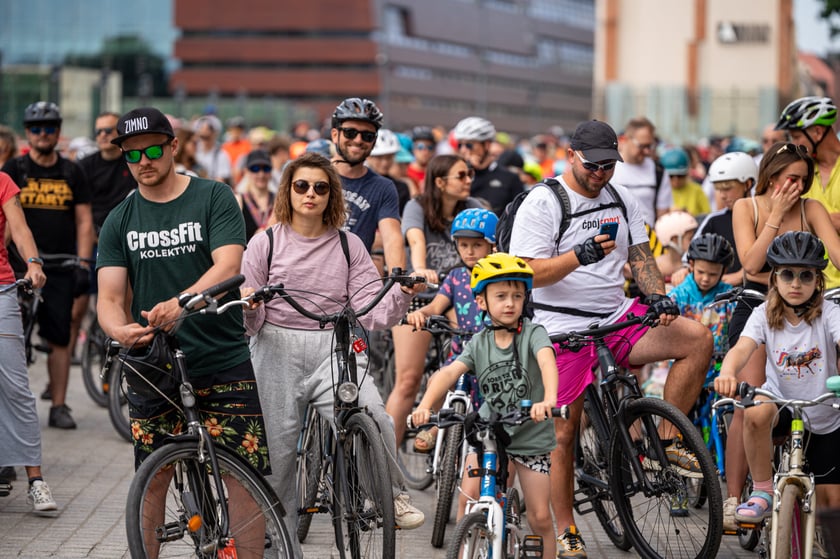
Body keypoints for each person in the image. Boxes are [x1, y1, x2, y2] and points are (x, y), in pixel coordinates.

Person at [508, 119, 713, 557]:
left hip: (616, 315)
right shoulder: (544, 203)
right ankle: (566, 529)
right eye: (593, 165)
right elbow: (526, 272)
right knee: (562, 434)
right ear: (571, 157)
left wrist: (657, 297)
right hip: (561, 326)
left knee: (696, 339)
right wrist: (574, 257)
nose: (601, 174)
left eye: (609, 165)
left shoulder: (622, 198)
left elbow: (641, 255)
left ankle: (666, 445)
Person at [239, 153, 426, 553]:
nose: (310, 194)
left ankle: (388, 494)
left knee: (374, 413)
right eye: (301, 186)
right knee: (277, 458)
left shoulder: (348, 244)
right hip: (276, 346)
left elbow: (371, 312)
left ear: (331, 194)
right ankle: (281, 543)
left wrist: (401, 294)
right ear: (288, 190)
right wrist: (250, 308)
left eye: (320, 187)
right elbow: (249, 321)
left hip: (335, 344)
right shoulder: (264, 242)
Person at [96, 107, 270, 489]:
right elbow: (108, 298)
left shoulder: (214, 196)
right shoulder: (119, 220)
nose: (143, 161)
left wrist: (181, 303)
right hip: (154, 367)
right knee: (151, 481)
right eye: (132, 154)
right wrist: (119, 330)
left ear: (174, 146)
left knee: (244, 479)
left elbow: (228, 266)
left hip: (222, 356)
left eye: (153, 151)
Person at [720, 140, 840, 532]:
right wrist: (777, 214)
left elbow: (835, 254)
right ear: (772, 176)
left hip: (814, 305)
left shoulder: (812, 208)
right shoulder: (747, 207)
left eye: (804, 180)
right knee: (749, 395)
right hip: (760, 302)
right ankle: (740, 496)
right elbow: (752, 265)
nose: (799, 186)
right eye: (792, 177)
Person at [411, 253, 558, 556]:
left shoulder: (533, 333)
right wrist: (425, 405)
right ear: (481, 302)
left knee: (540, 517)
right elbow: (449, 373)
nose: (510, 303)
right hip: (490, 436)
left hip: (531, 438)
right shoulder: (479, 342)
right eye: (501, 296)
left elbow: (547, 362)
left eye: (517, 296)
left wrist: (548, 400)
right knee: (469, 500)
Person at [1, 101, 95, 430]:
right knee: (14, 339)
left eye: (50, 128)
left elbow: (84, 221)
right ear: (28, 133)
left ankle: (58, 405)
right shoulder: (15, 168)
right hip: (18, 269)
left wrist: (84, 264)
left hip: (59, 266)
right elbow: (10, 222)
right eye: (37, 129)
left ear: (58, 132)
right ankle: (15, 408)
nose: (43, 134)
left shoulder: (72, 171)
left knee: (60, 336)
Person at [386, 154, 485, 446]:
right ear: (440, 182)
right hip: (421, 297)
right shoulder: (417, 206)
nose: (469, 180)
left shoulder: (473, 207)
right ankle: (387, 463)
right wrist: (419, 270)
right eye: (461, 176)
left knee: (467, 360)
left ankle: (438, 427)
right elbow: (415, 240)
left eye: (470, 175)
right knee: (407, 381)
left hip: (458, 295)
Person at [403, 207, 497, 452]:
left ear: (492, 245)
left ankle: (443, 432)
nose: (469, 251)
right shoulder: (456, 277)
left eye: (477, 245)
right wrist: (420, 314)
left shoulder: (499, 275)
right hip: (462, 352)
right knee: (437, 379)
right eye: (463, 245)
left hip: (493, 354)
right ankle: (435, 425)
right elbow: (436, 305)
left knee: (489, 411)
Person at [0, 171, 57, 514]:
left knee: (15, 385)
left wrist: (33, 262)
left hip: (1, 288)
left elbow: (19, 229)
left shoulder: (2, 182)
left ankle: (35, 480)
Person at [72, 112, 138, 362]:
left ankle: (130, 353)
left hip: (122, 239)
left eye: (109, 130)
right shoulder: (85, 166)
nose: (103, 136)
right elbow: (80, 214)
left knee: (124, 299)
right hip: (91, 238)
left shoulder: (131, 162)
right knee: (77, 308)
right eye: (99, 131)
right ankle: (69, 357)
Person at [329, 97, 405, 271]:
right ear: (335, 134)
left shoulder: (383, 187)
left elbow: (392, 238)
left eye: (367, 135)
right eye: (350, 132)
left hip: (356, 280)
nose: (358, 140)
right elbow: (277, 226)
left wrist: (399, 279)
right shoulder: (310, 175)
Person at [775, 96, 840, 289]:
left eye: (796, 137)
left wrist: (818, 222)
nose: (793, 144)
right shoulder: (799, 173)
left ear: (818, 132)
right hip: (806, 286)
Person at [453, 116, 524, 216]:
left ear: (486, 145)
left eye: (469, 145)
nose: (463, 150)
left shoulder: (510, 178)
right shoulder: (459, 175)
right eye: (460, 145)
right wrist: (468, 170)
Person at [612, 116, 673, 226]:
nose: (647, 151)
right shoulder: (610, 167)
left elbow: (662, 215)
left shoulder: (658, 170)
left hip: (648, 238)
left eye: (650, 146)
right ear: (626, 139)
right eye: (642, 146)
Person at [668, 233, 735, 309]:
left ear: (724, 270)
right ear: (692, 265)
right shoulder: (678, 295)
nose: (705, 279)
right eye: (700, 272)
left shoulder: (729, 297)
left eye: (713, 274)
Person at [366, 128, 411, 214]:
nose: (385, 163)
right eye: (379, 157)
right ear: (368, 157)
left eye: (389, 157)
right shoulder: (357, 182)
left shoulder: (401, 188)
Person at [235, 150, 275, 240]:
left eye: (266, 169)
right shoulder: (239, 201)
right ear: (246, 171)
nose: (261, 174)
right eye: (255, 169)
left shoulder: (278, 200)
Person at [660, 147, 710, 217]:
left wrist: (691, 216)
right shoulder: (660, 192)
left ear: (687, 173)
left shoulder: (697, 190)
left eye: (680, 175)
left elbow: (707, 215)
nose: (676, 180)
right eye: (671, 176)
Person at [653, 210, 698, 281]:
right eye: (690, 238)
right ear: (675, 240)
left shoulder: (696, 264)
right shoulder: (656, 266)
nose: (694, 242)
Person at [193, 114, 232, 184]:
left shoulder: (221, 155)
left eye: (209, 129)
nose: (204, 132)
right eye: (201, 129)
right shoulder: (193, 152)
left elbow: (220, 182)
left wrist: (205, 177)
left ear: (215, 133)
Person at [407, 125, 436, 191]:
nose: (425, 151)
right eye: (420, 146)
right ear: (413, 149)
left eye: (430, 147)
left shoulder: (436, 172)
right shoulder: (405, 172)